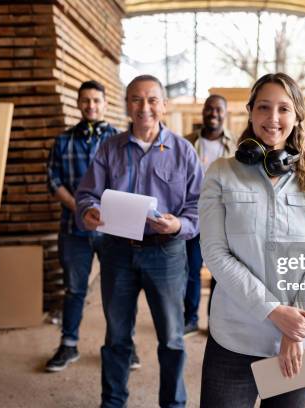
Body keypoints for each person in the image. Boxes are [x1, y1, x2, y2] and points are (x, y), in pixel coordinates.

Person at [199, 73, 305, 408]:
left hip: (302, 339)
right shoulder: (221, 172)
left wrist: (294, 328)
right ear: (250, 111)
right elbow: (215, 253)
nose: (272, 118)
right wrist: (274, 311)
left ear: (297, 117)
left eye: (283, 109)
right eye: (264, 107)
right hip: (236, 339)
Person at [76, 75, 203, 408]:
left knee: (172, 339)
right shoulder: (110, 149)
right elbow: (87, 194)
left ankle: (173, 404)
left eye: (151, 100)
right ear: (126, 104)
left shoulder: (183, 151)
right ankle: (113, 401)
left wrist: (179, 225)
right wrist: (89, 210)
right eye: (136, 99)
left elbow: (199, 208)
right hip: (117, 252)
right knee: (117, 336)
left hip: (166, 254)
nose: (144, 107)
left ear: (163, 104)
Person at [45, 80, 120, 372]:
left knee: (117, 290)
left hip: (112, 231)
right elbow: (53, 180)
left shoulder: (119, 140)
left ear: (104, 104)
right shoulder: (63, 141)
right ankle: (68, 344)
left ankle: (122, 346)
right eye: (85, 100)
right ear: (78, 103)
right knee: (74, 289)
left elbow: (128, 182)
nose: (91, 105)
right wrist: (81, 208)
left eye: (96, 100)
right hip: (73, 229)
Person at [183, 94, 236, 336]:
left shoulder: (235, 145)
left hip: (223, 218)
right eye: (208, 109)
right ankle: (190, 318)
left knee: (220, 273)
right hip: (194, 216)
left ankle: (215, 321)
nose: (213, 114)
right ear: (202, 112)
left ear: (225, 114)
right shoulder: (187, 143)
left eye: (218, 109)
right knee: (191, 270)